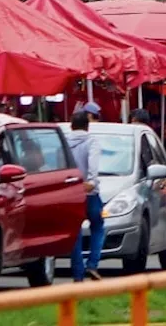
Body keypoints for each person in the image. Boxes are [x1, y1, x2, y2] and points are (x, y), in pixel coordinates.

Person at [65, 110, 104, 281]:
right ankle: (92, 264)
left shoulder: (64, 141)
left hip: (71, 192)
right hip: (89, 192)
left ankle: (78, 274)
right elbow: (93, 165)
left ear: (71, 125)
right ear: (87, 126)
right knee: (98, 226)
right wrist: (91, 182)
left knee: (75, 231)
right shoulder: (92, 141)